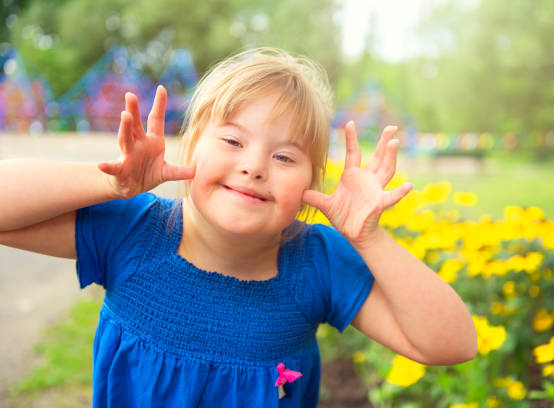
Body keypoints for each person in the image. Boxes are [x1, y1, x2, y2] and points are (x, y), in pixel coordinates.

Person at [0, 47, 477, 407]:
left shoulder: (316, 264)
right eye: (232, 139)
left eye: (285, 156)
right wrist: (110, 184)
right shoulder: (132, 233)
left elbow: (452, 343)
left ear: (312, 181)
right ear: (189, 146)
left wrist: (368, 237)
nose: (254, 166)